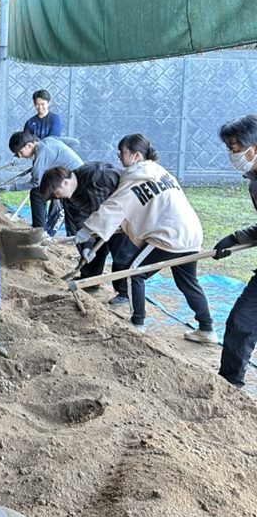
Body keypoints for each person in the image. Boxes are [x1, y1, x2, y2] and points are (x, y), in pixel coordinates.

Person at [75, 133, 216, 341]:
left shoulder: (136, 176)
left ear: (136, 156)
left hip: (169, 236)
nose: (119, 158)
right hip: (191, 233)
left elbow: (114, 207)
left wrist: (87, 230)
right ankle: (207, 329)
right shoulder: (159, 171)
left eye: (122, 153)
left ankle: (137, 324)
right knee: (187, 281)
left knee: (134, 272)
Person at [40, 161, 136, 302]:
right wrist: (86, 246)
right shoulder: (69, 198)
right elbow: (78, 223)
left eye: (57, 193)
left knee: (121, 252)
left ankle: (124, 292)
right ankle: (90, 279)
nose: (58, 197)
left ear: (65, 183)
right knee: (93, 249)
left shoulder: (98, 175)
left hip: (123, 216)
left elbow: (117, 203)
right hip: (97, 220)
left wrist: (99, 227)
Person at [212, 115, 257, 387]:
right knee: (240, 323)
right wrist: (236, 237)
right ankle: (229, 388)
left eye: (237, 148)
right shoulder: (254, 181)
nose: (233, 154)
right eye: (230, 149)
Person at [8, 131, 83, 233]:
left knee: (37, 193)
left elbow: (35, 183)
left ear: (29, 145)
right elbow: (75, 142)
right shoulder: (49, 139)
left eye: (20, 152)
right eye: (17, 155)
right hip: (78, 175)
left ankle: (39, 232)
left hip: (73, 183)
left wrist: (11, 187)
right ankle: (44, 227)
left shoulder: (41, 154)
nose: (20, 156)